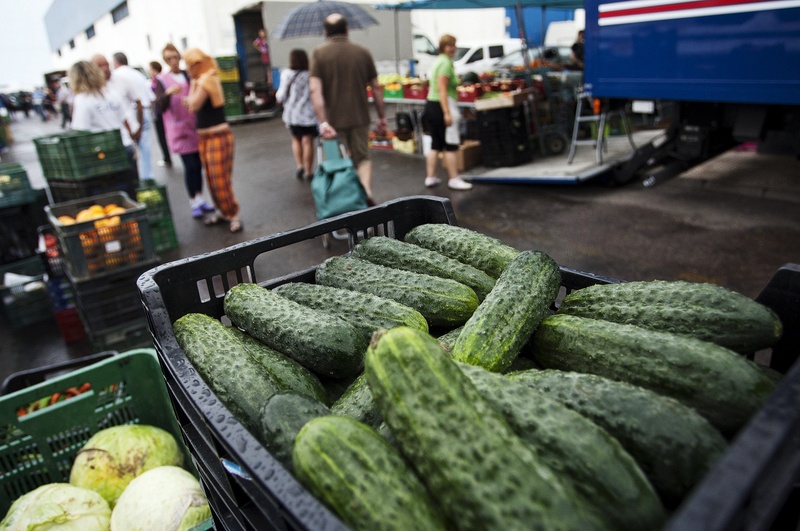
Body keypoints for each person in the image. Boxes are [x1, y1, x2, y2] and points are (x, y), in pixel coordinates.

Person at [309, 13, 386, 206]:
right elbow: (376, 87)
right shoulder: (362, 52)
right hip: (360, 116)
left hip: (332, 122)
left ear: (326, 32)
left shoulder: (319, 53)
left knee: (336, 163)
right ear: (346, 30)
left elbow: (314, 90)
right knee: (362, 157)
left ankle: (343, 202)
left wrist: (323, 122)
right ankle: (365, 192)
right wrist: (382, 116)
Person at [183, 47, 242, 233]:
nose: (188, 69)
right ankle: (224, 212)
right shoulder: (201, 80)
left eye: (190, 65)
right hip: (205, 137)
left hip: (218, 136)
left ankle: (233, 215)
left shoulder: (206, 79)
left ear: (197, 64)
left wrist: (191, 89)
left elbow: (193, 104)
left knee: (220, 179)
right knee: (211, 178)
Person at [155, 44, 215, 218]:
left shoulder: (187, 75)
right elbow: (159, 105)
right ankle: (193, 200)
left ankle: (201, 198)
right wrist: (167, 94)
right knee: (190, 166)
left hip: (194, 126)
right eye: (169, 59)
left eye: (175, 57)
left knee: (199, 164)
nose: (173, 61)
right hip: (178, 129)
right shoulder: (162, 79)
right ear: (165, 60)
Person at [68, 60, 138, 176]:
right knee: (132, 186)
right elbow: (124, 120)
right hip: (125, 145)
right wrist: (132, 143)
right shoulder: (111, 93)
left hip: (103, 153)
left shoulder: (82, 100)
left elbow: (80, 131)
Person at [93, 53, 156, 182]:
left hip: (133, 127)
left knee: (143, 157)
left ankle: (147, 182)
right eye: (100, 66)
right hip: (118, 135)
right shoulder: (96, 87)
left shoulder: (121, 79)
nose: (104, 68)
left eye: (105, 64)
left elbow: (137, 102)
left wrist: (138, 126)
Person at [423, 34, 473, 191]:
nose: (453, 48)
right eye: (450, 45)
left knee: (435, 144)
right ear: (443, 46)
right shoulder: (445, 63)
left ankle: (430, 177)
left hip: (431, 104)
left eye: (454, 45)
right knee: (450, 143)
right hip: (442, 105)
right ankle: (454, 178)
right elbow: (442, 88)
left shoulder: (437, 61)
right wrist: (447, 113)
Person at [276, 49, 318, 181]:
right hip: (308, 115)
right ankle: (308, 171)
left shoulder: (287, 74)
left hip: (292, 114)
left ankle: (299, 165)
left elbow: (281, 95)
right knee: (307, 141)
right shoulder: (311, 75)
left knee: (296, 139)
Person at [148, 60, 172, 168]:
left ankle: (167, 157)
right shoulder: (156, 80)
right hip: (158, 111)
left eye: (150, 68)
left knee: (161, 135)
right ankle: (167, 156)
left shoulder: (158, 80)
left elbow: (159, 96)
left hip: (159, 112)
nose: (148, 71)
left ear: (154, 69)